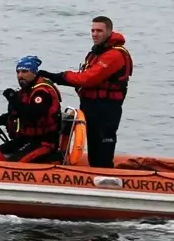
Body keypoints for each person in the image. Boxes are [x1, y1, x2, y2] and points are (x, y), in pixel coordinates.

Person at [39, 15, 132, 168]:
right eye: (93, 30)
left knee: (101, 151)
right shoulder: (98, 52)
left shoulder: (114, 55)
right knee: (94, 148)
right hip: (91, 105)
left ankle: (105, 179)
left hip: (106, 108)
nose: (95, 34)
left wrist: (58, 77)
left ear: (109, 31)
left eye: (99, 31)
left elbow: (88, 79)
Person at [0, 55, 64, 163]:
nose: (20, 75)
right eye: (18, 72)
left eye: (24, 71)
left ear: (34, 72)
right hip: (25, 139)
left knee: (12, 163)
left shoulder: (42, 92)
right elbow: (17, 114)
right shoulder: (26, 90)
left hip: (43, 141)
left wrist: (13, 99)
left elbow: (32, 115)